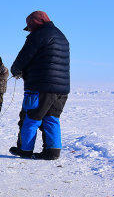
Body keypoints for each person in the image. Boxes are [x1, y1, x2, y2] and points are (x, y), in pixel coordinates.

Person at [9, 11, 70, 160]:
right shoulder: (61, 36)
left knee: (31, 118)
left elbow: (25, 56)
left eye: (29, 27)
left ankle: (25, 150)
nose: (29, 30)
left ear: (34, 23)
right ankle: (52, 152)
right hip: (61, 89)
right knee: (52, 118)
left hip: (40, 86)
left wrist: (16, 70)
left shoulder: (38, 35)